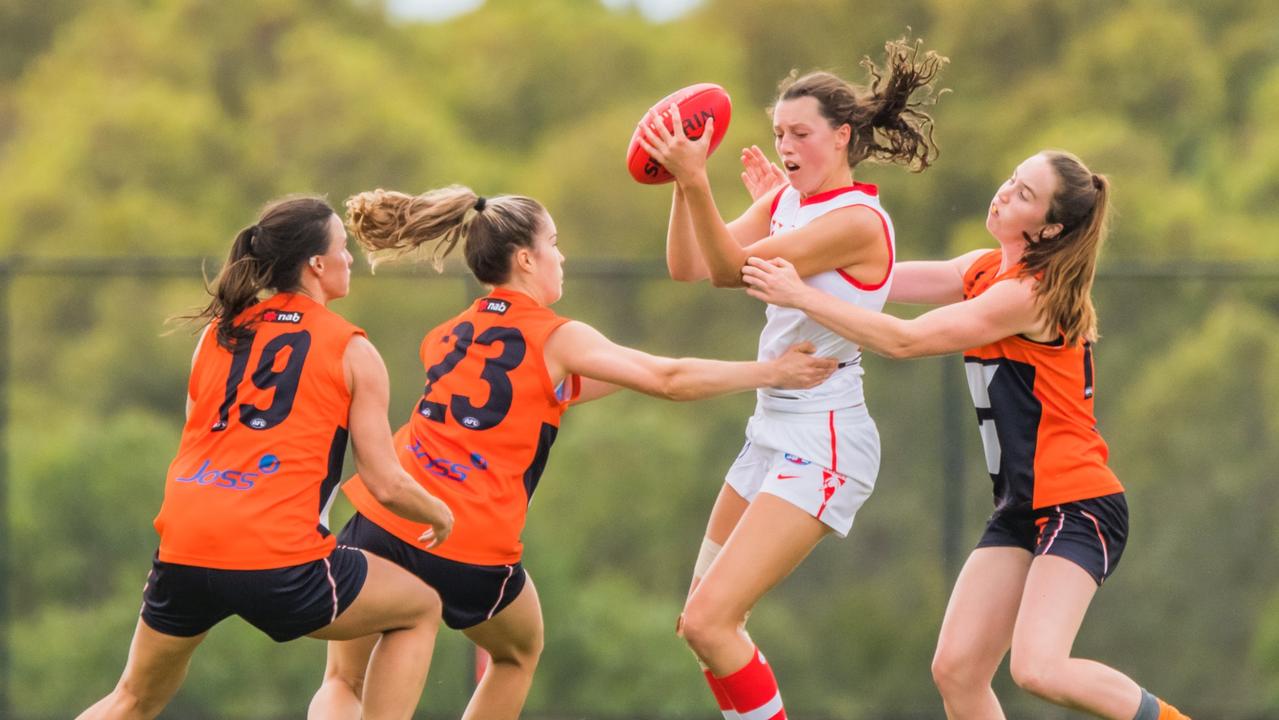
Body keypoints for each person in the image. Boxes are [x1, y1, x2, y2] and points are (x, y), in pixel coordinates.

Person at [306, 186, 838, 720]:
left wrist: (629, 368)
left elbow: (561, 387)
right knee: (517, 653)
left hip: (388, 517)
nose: (560, 256)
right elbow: (668, 379)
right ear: (525, 259)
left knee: (342, 678)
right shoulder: (558, 337)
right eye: (554, 244)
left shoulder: (447, 334)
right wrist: (772, 372)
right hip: (470, 539)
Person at [739, 150, 1191, 720]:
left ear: (1049, 228)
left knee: (1038, 668)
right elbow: (865, 279)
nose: (1004, 192)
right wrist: (797, 221)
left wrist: (802, 295)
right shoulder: (980, 270)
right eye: (1011, 179)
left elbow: (902, 340)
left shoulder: (1029, 294)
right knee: (957, 670)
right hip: (1022, 508)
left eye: (1024, 194)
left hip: (1078, 506)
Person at [635, 36, 947, 720]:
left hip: (823, 440)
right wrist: (682, 183)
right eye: (779, 133)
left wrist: (694, 180)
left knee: (711, 622)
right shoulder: (788, 204)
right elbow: (689, 264)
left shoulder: (855, 220)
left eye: (801, 133)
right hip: (771, 428)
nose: (786, 146)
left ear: (842, 137)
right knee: (702, 624)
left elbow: (726, 270)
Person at [78, 197, 455, 720]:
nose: (350, 259)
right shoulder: (351, 349)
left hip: (186, 541)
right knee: (419, 609)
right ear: (316, 265)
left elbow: (200, 435)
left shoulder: (217, 333)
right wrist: (440, 513)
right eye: (343, 250)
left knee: (133, 700)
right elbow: (385, 482)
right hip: (275, 556)